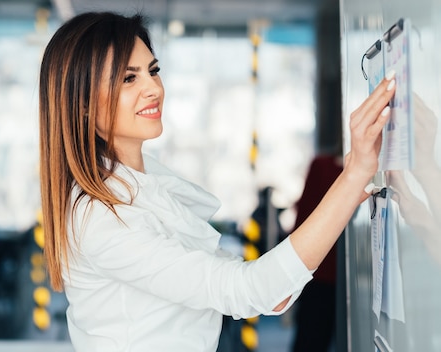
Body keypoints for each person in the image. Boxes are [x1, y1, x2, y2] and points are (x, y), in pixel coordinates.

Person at [38, 11, 396, 352]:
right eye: (128, 78)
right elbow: (253, 291)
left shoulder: (147, 184)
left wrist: (356, 178)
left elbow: (273, 293)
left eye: (153, 70)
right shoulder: (98, 217)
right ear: (83, 104)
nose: (154, 88)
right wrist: (353, 178)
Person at [290, 153, 343, 351]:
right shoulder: (322, 166)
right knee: (311, 340)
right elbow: (303, 218)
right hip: (319, 275)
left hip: (349, 276)